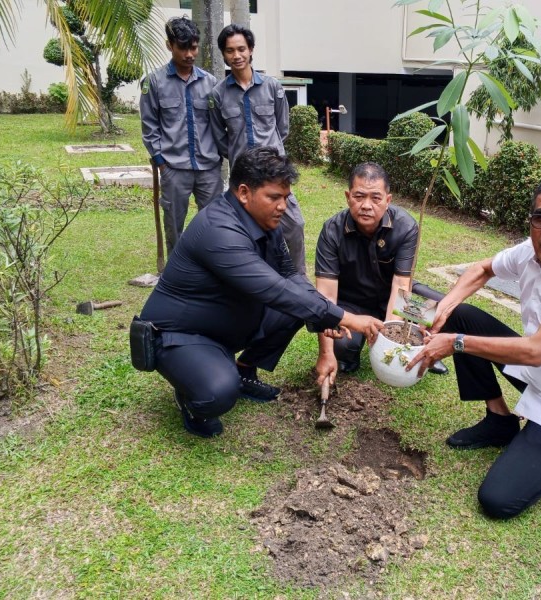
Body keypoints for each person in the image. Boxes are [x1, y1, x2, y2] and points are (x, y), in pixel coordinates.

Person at [408, 176, 541, 519]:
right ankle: (499, 421)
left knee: (497, 500)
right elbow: (482, 269)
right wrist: (444, 308)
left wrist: (456, 343)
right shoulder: (531, 250)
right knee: (461, 316)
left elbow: (537, 351)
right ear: (532, 221)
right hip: (537, 374)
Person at [138, 147, 383, 438]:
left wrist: (326, 315)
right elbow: (275, 290)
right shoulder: (218, 230)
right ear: (244, 192)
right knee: (217, 392)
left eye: (286, 198)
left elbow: (290, 275)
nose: (282, 206)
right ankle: (191, 397)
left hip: (224, 319)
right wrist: (349, 319)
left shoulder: (265, 222)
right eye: (274, 197)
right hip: (181, 334)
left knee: (298, 307)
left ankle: (243, 370)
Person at [314, 162, 448, 382]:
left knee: (441, 308)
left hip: (393, 296)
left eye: (376, 198)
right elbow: (326, 295)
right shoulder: (332, 230)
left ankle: (423, 350)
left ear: (388, 200)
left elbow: (401, 284)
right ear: (348, 197)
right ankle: (349, 355)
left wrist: (388, 338)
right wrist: (326, 352)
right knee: (342, 344)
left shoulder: (405, 226)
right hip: (352, 302)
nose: (366, 205)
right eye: (359, 196)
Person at [209, 24, 307, 275]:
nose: (237, 55)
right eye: (230, 51)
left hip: (275, 172)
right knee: (245, 231)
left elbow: (282, 127)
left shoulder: (272, 86)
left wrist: (271, 155)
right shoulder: (218, 94)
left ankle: (299, 279)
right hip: (243, 177)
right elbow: (221, 138)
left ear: (251, 50)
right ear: (224, 54)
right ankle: (257, 278)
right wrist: (240, 157)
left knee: (294, 225)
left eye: (241, 49)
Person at [140, 17, 222, 257]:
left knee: (214, 223)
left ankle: (210, 266)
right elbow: (149, 126)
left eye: (193, 48)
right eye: (183, 48)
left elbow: (218, 124)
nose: (189, 54)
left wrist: (218, 158)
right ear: (170, 45)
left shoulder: (210, 83)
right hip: (174, 168)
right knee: (173, 224)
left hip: (208, 168)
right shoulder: (154, 82)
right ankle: (177, 269)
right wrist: (161, 163)